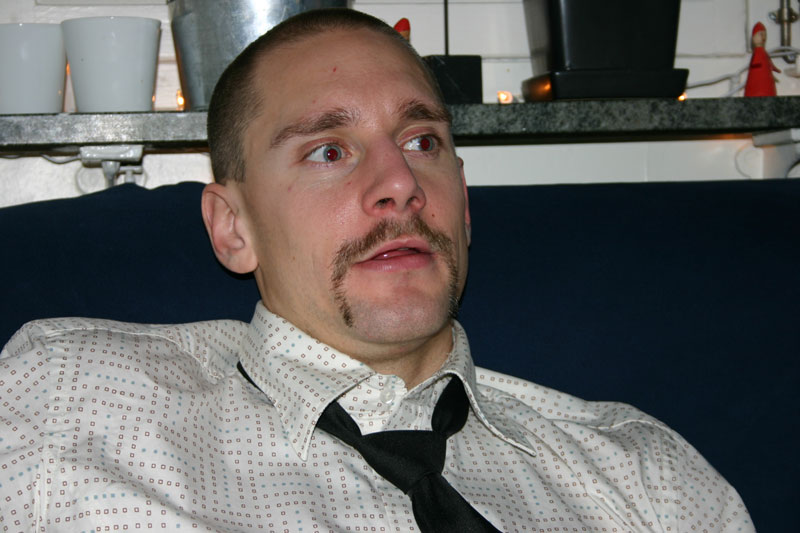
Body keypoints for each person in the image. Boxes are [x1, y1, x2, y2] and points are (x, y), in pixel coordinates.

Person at [0, 8, 753, 532]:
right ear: (233, 228)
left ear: (464, 207)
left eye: (422, 142)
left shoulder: (643, 477)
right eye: (329, 151)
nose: (400, 183)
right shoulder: (66, 399)